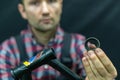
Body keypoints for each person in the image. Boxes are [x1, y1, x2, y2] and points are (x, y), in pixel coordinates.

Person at [0, 0, 117, 80]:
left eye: (51, 1)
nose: (45, 11)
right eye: (35, 3)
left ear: (60, 4)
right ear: (23, 11)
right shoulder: (8, 50)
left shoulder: (78, 45)